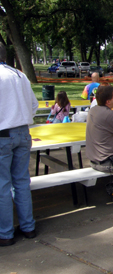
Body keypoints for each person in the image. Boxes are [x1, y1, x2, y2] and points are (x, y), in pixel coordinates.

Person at [0, 43, 38, 246]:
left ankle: (5, 232)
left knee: (2, 185)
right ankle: (28, 226)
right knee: (22, 181)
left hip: (3, 134)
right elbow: (34, 104)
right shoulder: (19, 75)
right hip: (23, 131)